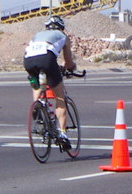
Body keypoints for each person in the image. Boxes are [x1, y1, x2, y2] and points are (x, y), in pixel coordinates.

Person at [23, 15, 76, 149]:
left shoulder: (38, 35)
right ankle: (63, 134)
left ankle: (38, 105)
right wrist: (70, 67)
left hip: (28, 61)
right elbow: (68, 61)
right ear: (61, 27)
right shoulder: (62, 36)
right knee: (60, 99)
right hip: (46, 59)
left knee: (37, 84)